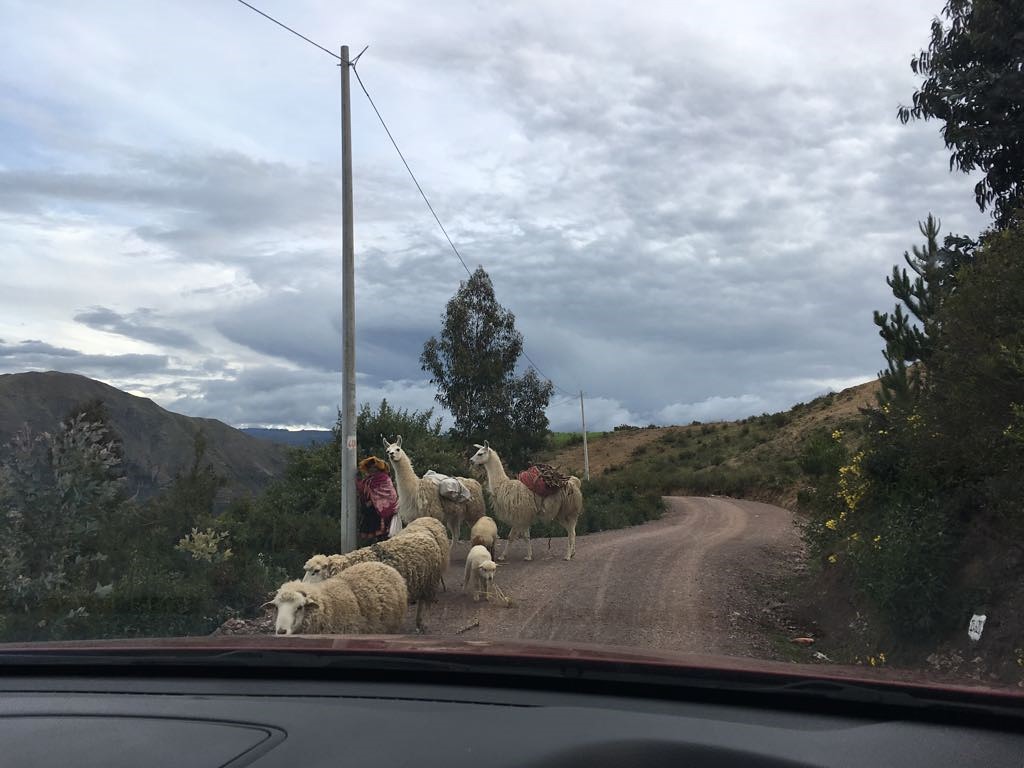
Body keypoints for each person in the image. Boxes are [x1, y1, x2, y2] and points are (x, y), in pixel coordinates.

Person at [355, 456, 399, 543]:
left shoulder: (383, 478)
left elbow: (389, 494)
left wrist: (373, 501)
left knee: (383, 534)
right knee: (376, 536)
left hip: (382, 510)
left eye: (374, 467)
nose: (372, 469)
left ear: (379, 468)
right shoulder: (369, 479)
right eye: (370, 467)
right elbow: (363, 488)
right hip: (373, 511)